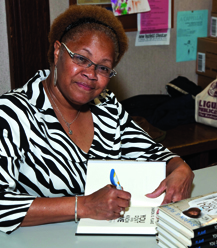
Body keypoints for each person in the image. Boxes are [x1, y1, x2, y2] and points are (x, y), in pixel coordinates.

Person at [0, 5, 194, 234]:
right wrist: (83, 206)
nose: (91, 74)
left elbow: (151, 151)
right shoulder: (12, 113)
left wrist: (180, 167)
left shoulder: (106, 105)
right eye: (81, 58)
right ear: (57, 51)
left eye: (103, 68)